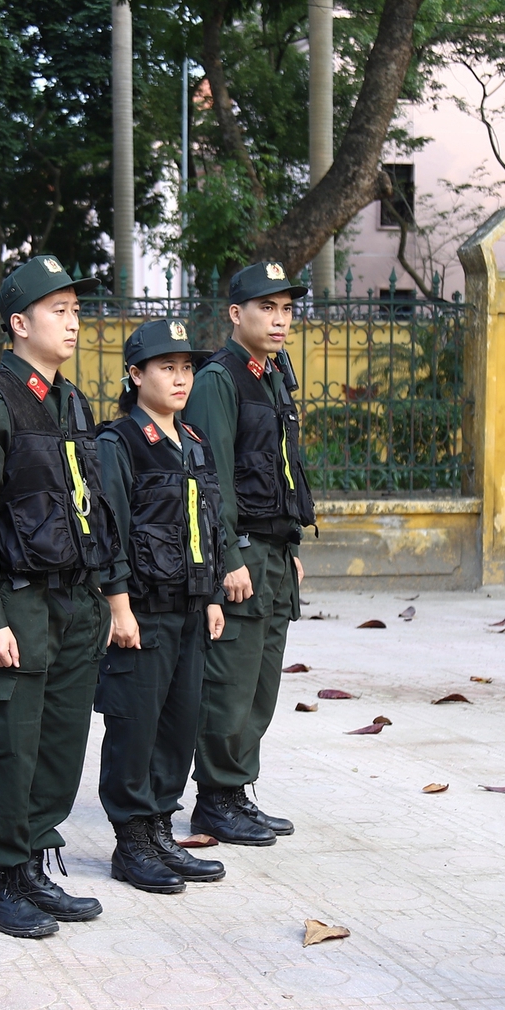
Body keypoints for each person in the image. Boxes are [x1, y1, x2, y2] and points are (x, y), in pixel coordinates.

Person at [0, 255, 113, 938]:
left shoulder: (70, 400)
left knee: (58, 744)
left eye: (76, 311)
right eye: (57, 311)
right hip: (14, 603)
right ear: (19, 323)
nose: (72, 323)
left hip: (72, 602)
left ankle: (35, 862)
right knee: (4, 744)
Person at [181, 261, 313, 846]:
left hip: (273, 552)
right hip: (243, 552)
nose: (280, 319)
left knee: (261, 683)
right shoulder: (220, 379)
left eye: (286, 309)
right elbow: (212, 478)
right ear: (237, 314)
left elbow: (279, 469)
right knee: (230, 681)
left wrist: (290, 544)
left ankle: (237, 791)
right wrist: (229, 554)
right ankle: (214, 798)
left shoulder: (272, 375)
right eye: (268, 307)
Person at [94, 319, 228, 893]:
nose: (180, 378)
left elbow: (211, 526)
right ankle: (132, 842)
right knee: (136, 724)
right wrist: (119, 607)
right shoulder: (118, 444)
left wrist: (215, 594)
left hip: (192, 608)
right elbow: (110, 531)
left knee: (179, 724)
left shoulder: (194, 443)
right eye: (167, 367)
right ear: (136, 374)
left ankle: (160, 832)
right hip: (143, 611)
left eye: (186, 368)